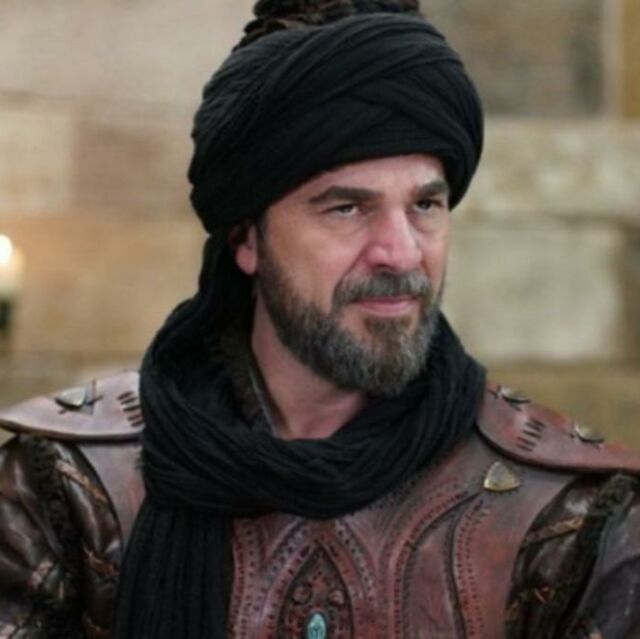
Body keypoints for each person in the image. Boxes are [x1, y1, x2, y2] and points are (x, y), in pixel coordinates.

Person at [1, 1, 639, 637]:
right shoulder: (68, 489)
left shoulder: (567, 517)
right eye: (346, 208)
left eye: (425, 205)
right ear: (246, 238)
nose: (401, 253)